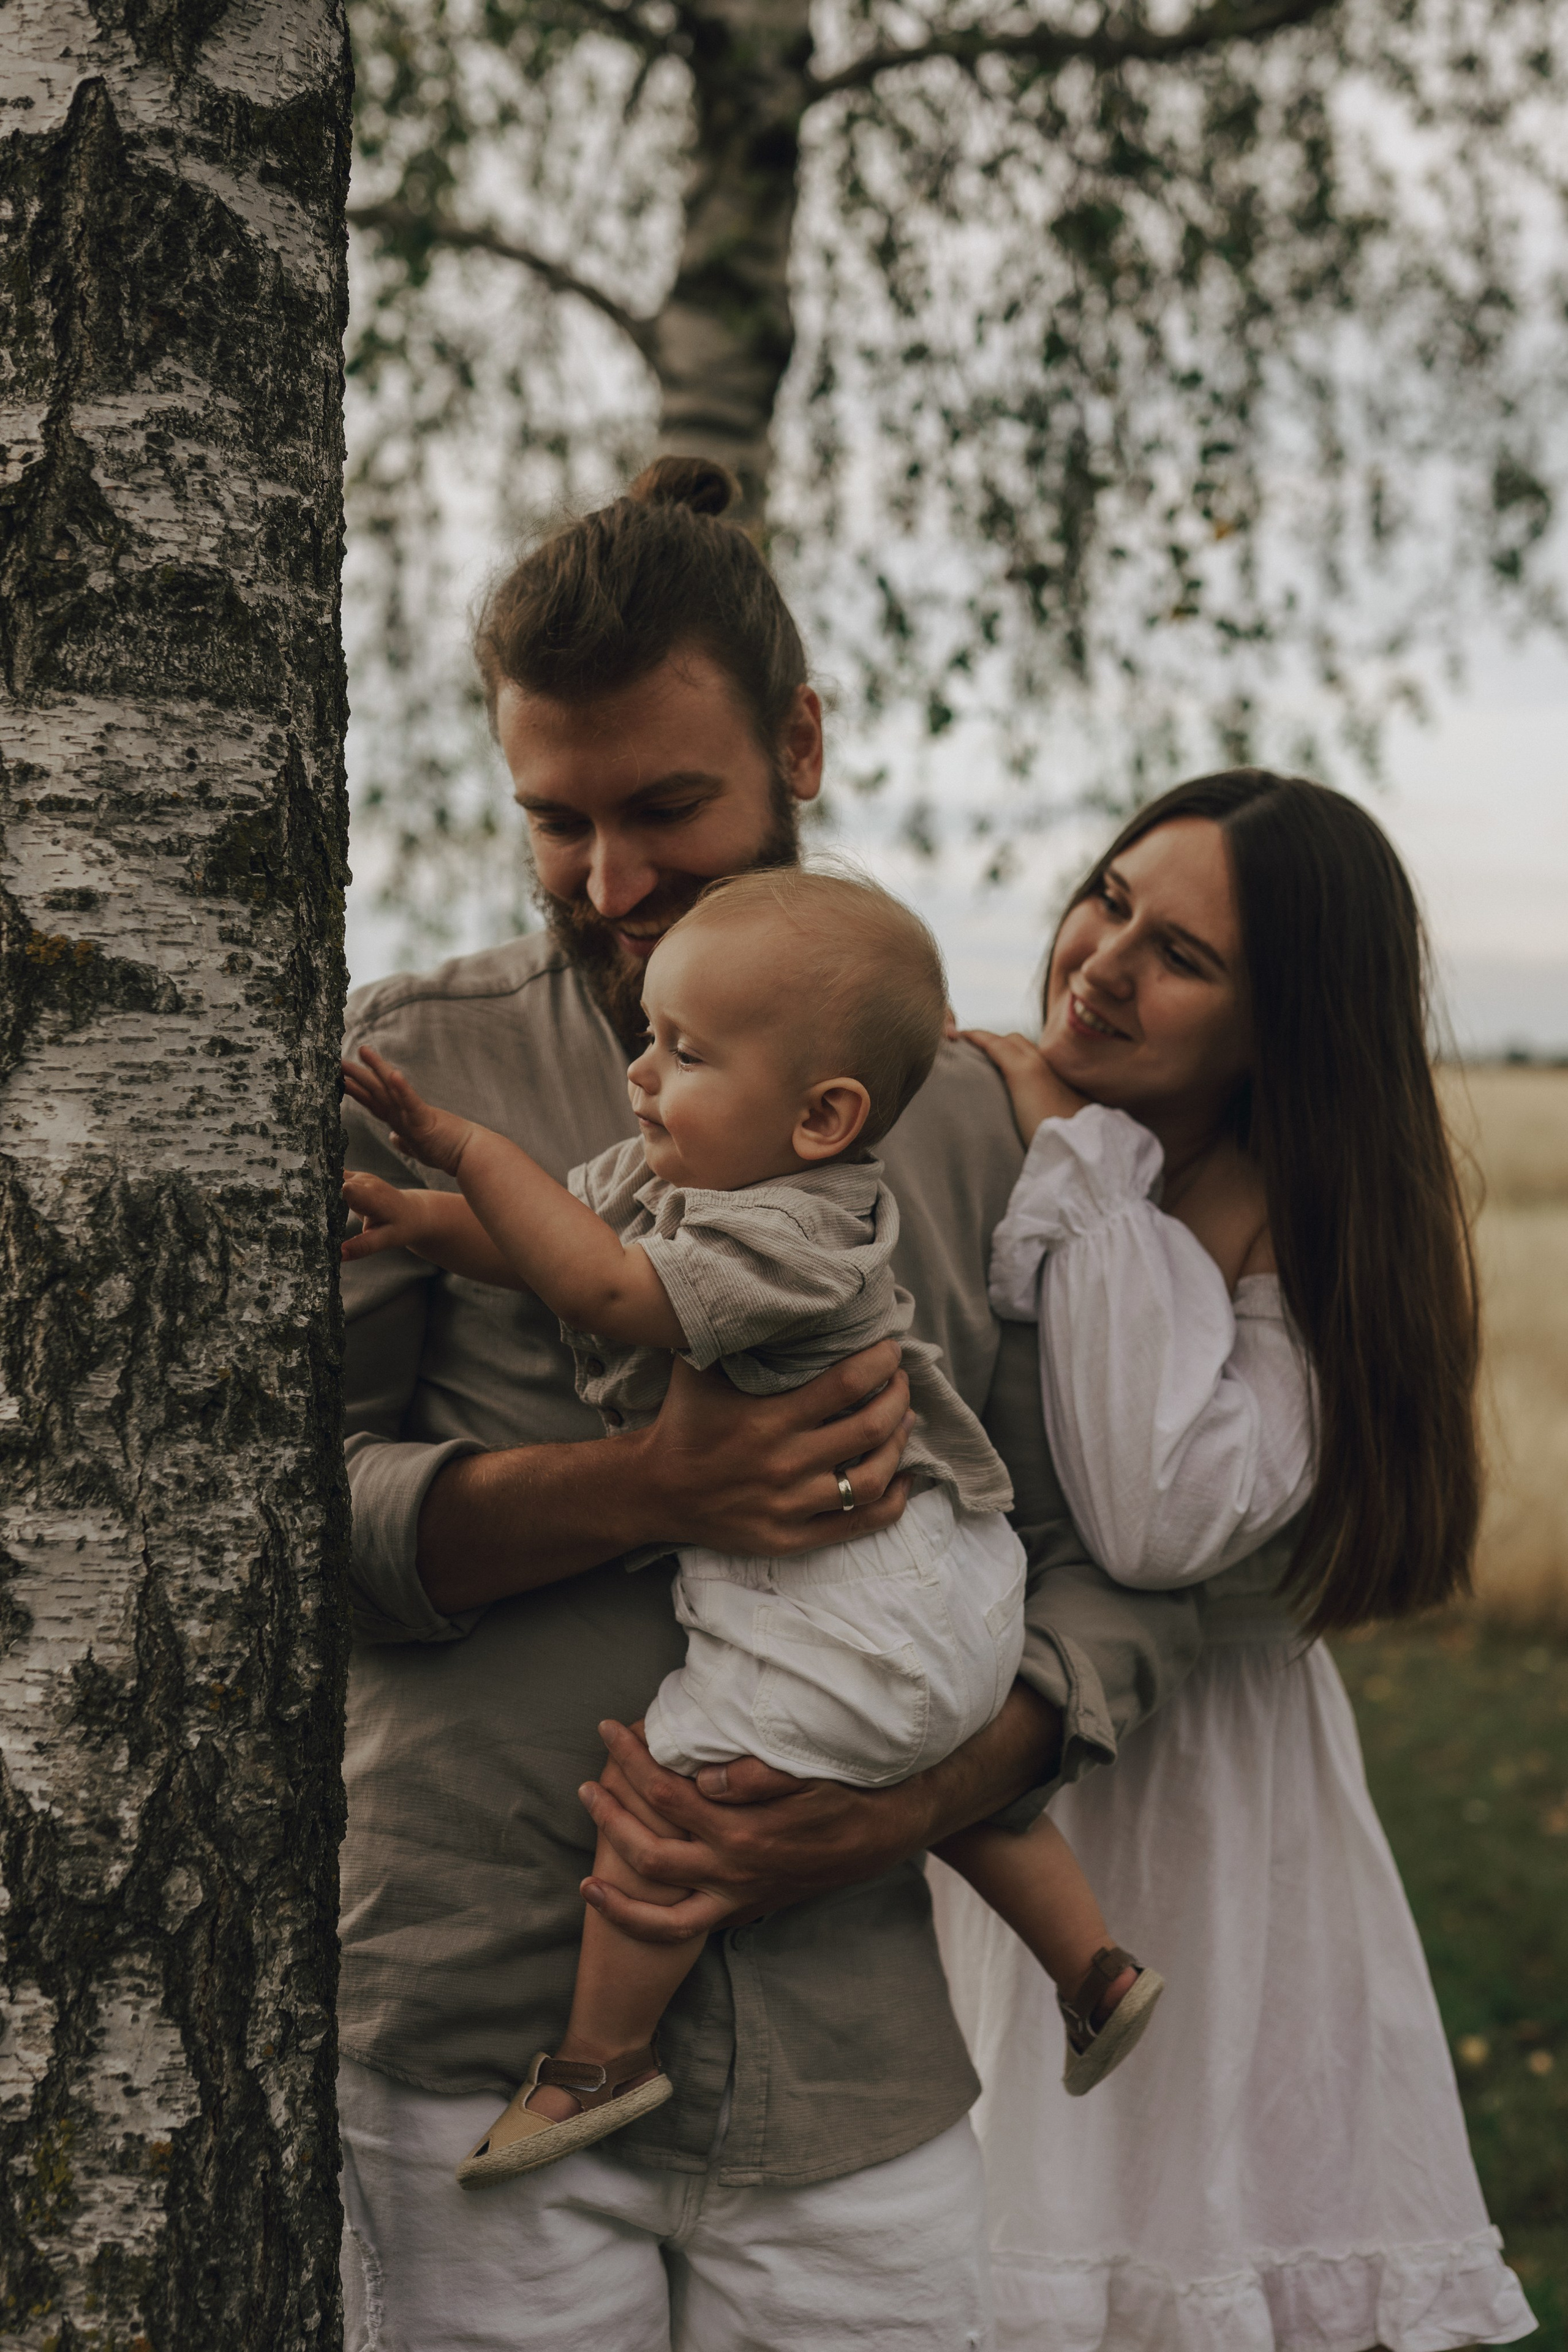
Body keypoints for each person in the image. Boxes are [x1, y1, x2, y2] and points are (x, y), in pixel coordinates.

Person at [336, 457, 1205, 2351]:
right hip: (476, 2028)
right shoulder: (411, 1066)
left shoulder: (960, 1120)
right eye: (553, 825)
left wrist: (920, 1799)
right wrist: (651, 1484)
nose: (613, 885)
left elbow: (1104, 1562)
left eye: (666, 810)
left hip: (851, 2062)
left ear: (799, 742)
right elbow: (258, 1536)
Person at [341, 869, 1161, 2188]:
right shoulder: (700, 1173)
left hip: (846, 1605)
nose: (642, 1075)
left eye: (684, 1052)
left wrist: (459, 1150)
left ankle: (598, 2059)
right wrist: (427, 1225)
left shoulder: (795, 1234)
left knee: (666, 1809)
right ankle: (1094, 1966)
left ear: (822, 1114)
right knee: (954, 1785)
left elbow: (597, 1281)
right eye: (648, 1039)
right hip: (941, 1589)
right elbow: (555, 1229)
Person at [928, 772, 1537, 2352]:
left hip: (1206, 1823)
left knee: (1182, 2242)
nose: (1101, 959)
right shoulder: (976, 1132)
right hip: (997, 1800)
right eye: (1109, 897)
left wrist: (1076, 1155)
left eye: (1181, 955)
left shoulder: (1290, 1231)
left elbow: (1152, 1508)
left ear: (1284, 1024)